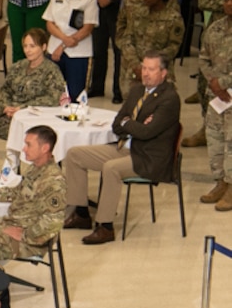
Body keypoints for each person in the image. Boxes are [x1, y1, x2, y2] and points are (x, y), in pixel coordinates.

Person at [63, 49, 181, 243]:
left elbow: (147, 132)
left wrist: (130, 123)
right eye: (144, 68)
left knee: (111, 169)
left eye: (151, 69)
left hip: (149, 157)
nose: (145, 73)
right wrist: (133, 124)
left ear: (163, 73)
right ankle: (81, 213)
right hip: (125, 147)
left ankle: (105, 226)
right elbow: (117, 124)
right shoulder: (136, 90)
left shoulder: (169, 99)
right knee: (75, 154)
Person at [0, 123, 66, 266]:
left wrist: (24, 235)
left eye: (28, 145)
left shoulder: (53, 181)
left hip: (31, 241)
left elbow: (53, 222)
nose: (24, 149)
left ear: (45, 148)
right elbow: (16, 192)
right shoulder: (35, 169)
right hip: (13, 222)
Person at [0, 28, 68, 146]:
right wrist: (6, 106)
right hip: (9, 112)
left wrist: (21, 108)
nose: (28, 50)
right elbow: (5, 89)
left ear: (43, 47)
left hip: (31, 116)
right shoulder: (18, 66)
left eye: (32, 46)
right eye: (25, 46)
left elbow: (52, 98)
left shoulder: (52, 71)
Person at [116, 0, 185, 89]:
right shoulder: (138, 14)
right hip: (134, 71)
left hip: (159, 73)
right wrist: (136, 65)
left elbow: (173, 47)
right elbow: (127, 38)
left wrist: (151, 66)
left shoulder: (173, 19)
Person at [43, 0, 98, 98]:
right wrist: (63, 40)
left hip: (78, 52)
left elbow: (87, 28)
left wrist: (63, 46)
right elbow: (49, 23)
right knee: (52, 92)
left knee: (75, 95)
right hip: (53, 50)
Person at [199, 0, 232, 209]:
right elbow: (203, 58)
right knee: (215, 140)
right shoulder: (215, 29)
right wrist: (213, 81)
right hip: (217, 98)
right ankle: (220, 181)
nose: (228, 4)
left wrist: (224, 83)